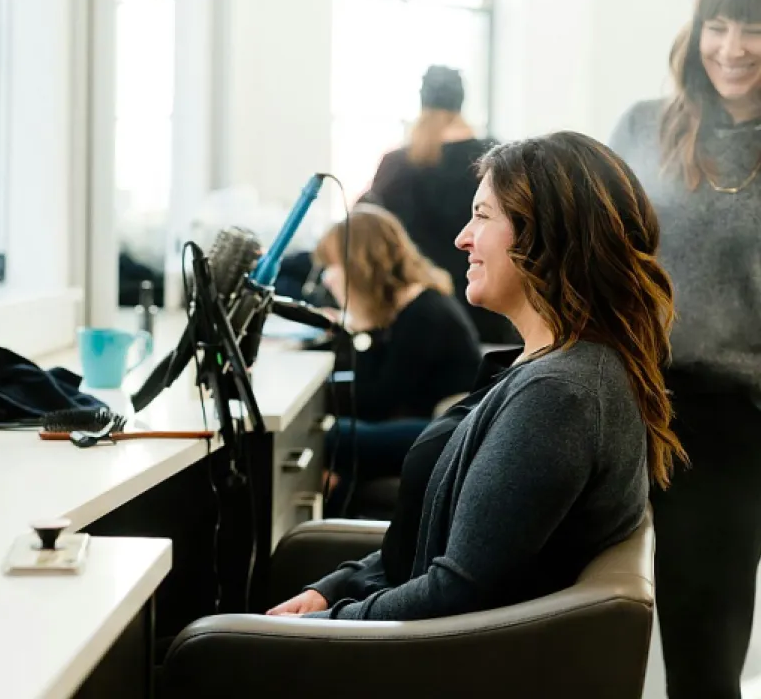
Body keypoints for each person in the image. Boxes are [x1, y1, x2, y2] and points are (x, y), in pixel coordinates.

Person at [266, 131, 685, 621]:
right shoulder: (551, 370)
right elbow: (445, 547)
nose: (462, 238)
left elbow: (454, 593)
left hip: (420, 654)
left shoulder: (558, 398)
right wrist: (338, 587)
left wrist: (322, 625)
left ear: (543, 235)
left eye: (482, 216)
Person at [609, 0, 761, 699]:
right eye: (718, 26)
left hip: (744, 414)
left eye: (755, 29)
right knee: (691, 655)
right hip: (658, 409)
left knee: (710, 653)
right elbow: (597, 256)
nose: (732, 49)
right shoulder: (644, 128)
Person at [313, 204, 481, 513]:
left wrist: (359, 330)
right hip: (431, 423)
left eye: (333, 266)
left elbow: (377, 401)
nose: (327, 278)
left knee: (332, 437)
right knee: (341, 463)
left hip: (447, 432)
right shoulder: (408, 307)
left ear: (359, 266)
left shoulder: (424, 314)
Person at [359, 64, 517, 345]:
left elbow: (364, 233)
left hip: (417, 320)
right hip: (488, 312)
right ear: (461, 102)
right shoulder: (496, 159)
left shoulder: (396, 165)